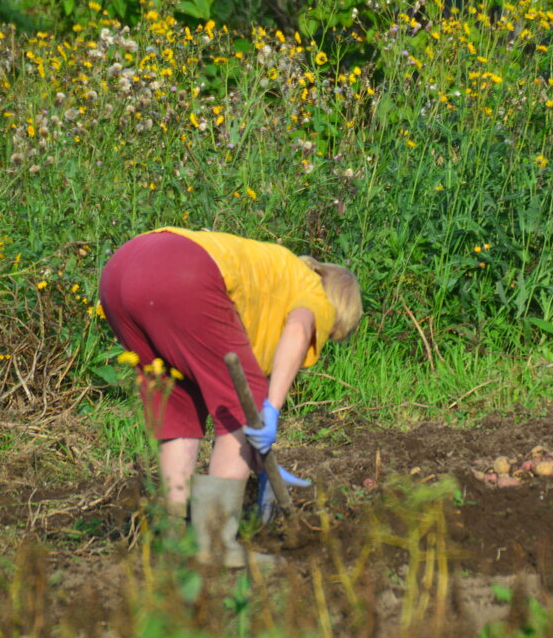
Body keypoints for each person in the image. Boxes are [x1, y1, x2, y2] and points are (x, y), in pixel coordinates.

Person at [98, 227, 362, 566]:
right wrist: (271, 410)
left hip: (121, 270)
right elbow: (297, 330)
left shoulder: (276, 275)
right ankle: (215, 544)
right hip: (181, 270)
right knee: (245, 400)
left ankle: (173, 536)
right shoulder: (315, 293)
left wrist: (258, 461)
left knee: (179, 400)